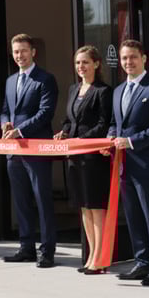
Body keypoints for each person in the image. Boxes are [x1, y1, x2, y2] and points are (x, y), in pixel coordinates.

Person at [109, 39, 149, 286]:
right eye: (125, 58)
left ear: (144, 58)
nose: (128, 62)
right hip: (124, 166)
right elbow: (117, 124)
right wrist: (111, 137)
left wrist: (131, 141)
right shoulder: (118, 91)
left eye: (133, 57)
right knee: (134, 217)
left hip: (147, 167)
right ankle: (142, 262)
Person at [0, 33, 59, 268]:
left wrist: (20, 130)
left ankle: (47, 250)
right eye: (16, 52)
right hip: (14, 151)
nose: (19, 55)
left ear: (33, 52)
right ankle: (26, 247)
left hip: (36, 148)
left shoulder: (45, 79)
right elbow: (5, 109)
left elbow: (45, 113)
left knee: (42, 200)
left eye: (23, 50)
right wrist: (5, 123)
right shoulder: (10, 80)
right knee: (21, 200)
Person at [55, 45, 113, 274]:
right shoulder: (73, 89)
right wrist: (65, 133)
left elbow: (102, 123)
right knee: (84, 208)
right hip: (75, 156)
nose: (81, 67)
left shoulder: (103, 91)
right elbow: (70, 120)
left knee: (96, 207)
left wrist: (80, 139)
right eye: (78, 63)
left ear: (97, 64)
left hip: (93, 157)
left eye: (85, 62)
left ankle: (100, 257)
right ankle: (91, 255)